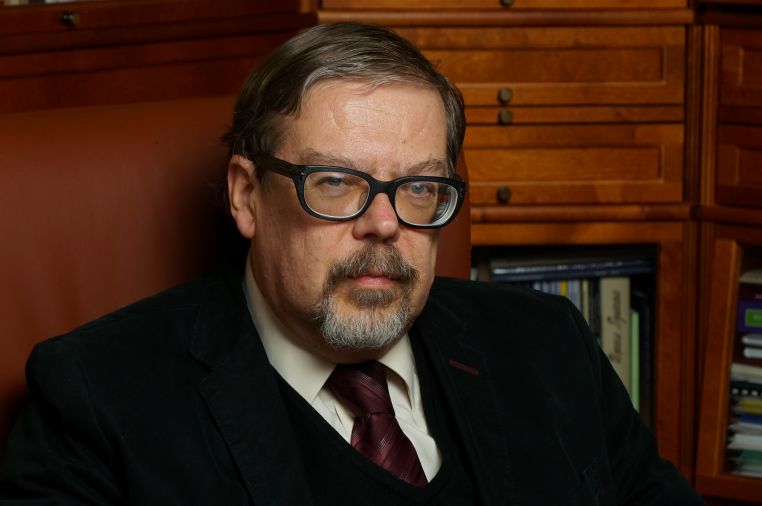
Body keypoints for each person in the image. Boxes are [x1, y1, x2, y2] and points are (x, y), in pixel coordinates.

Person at [0, 22, 703, 505]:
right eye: (335, 182)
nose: (385, 223)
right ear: (246, 196)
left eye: (420, 187)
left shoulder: (547, 343)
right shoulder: (98, 398)